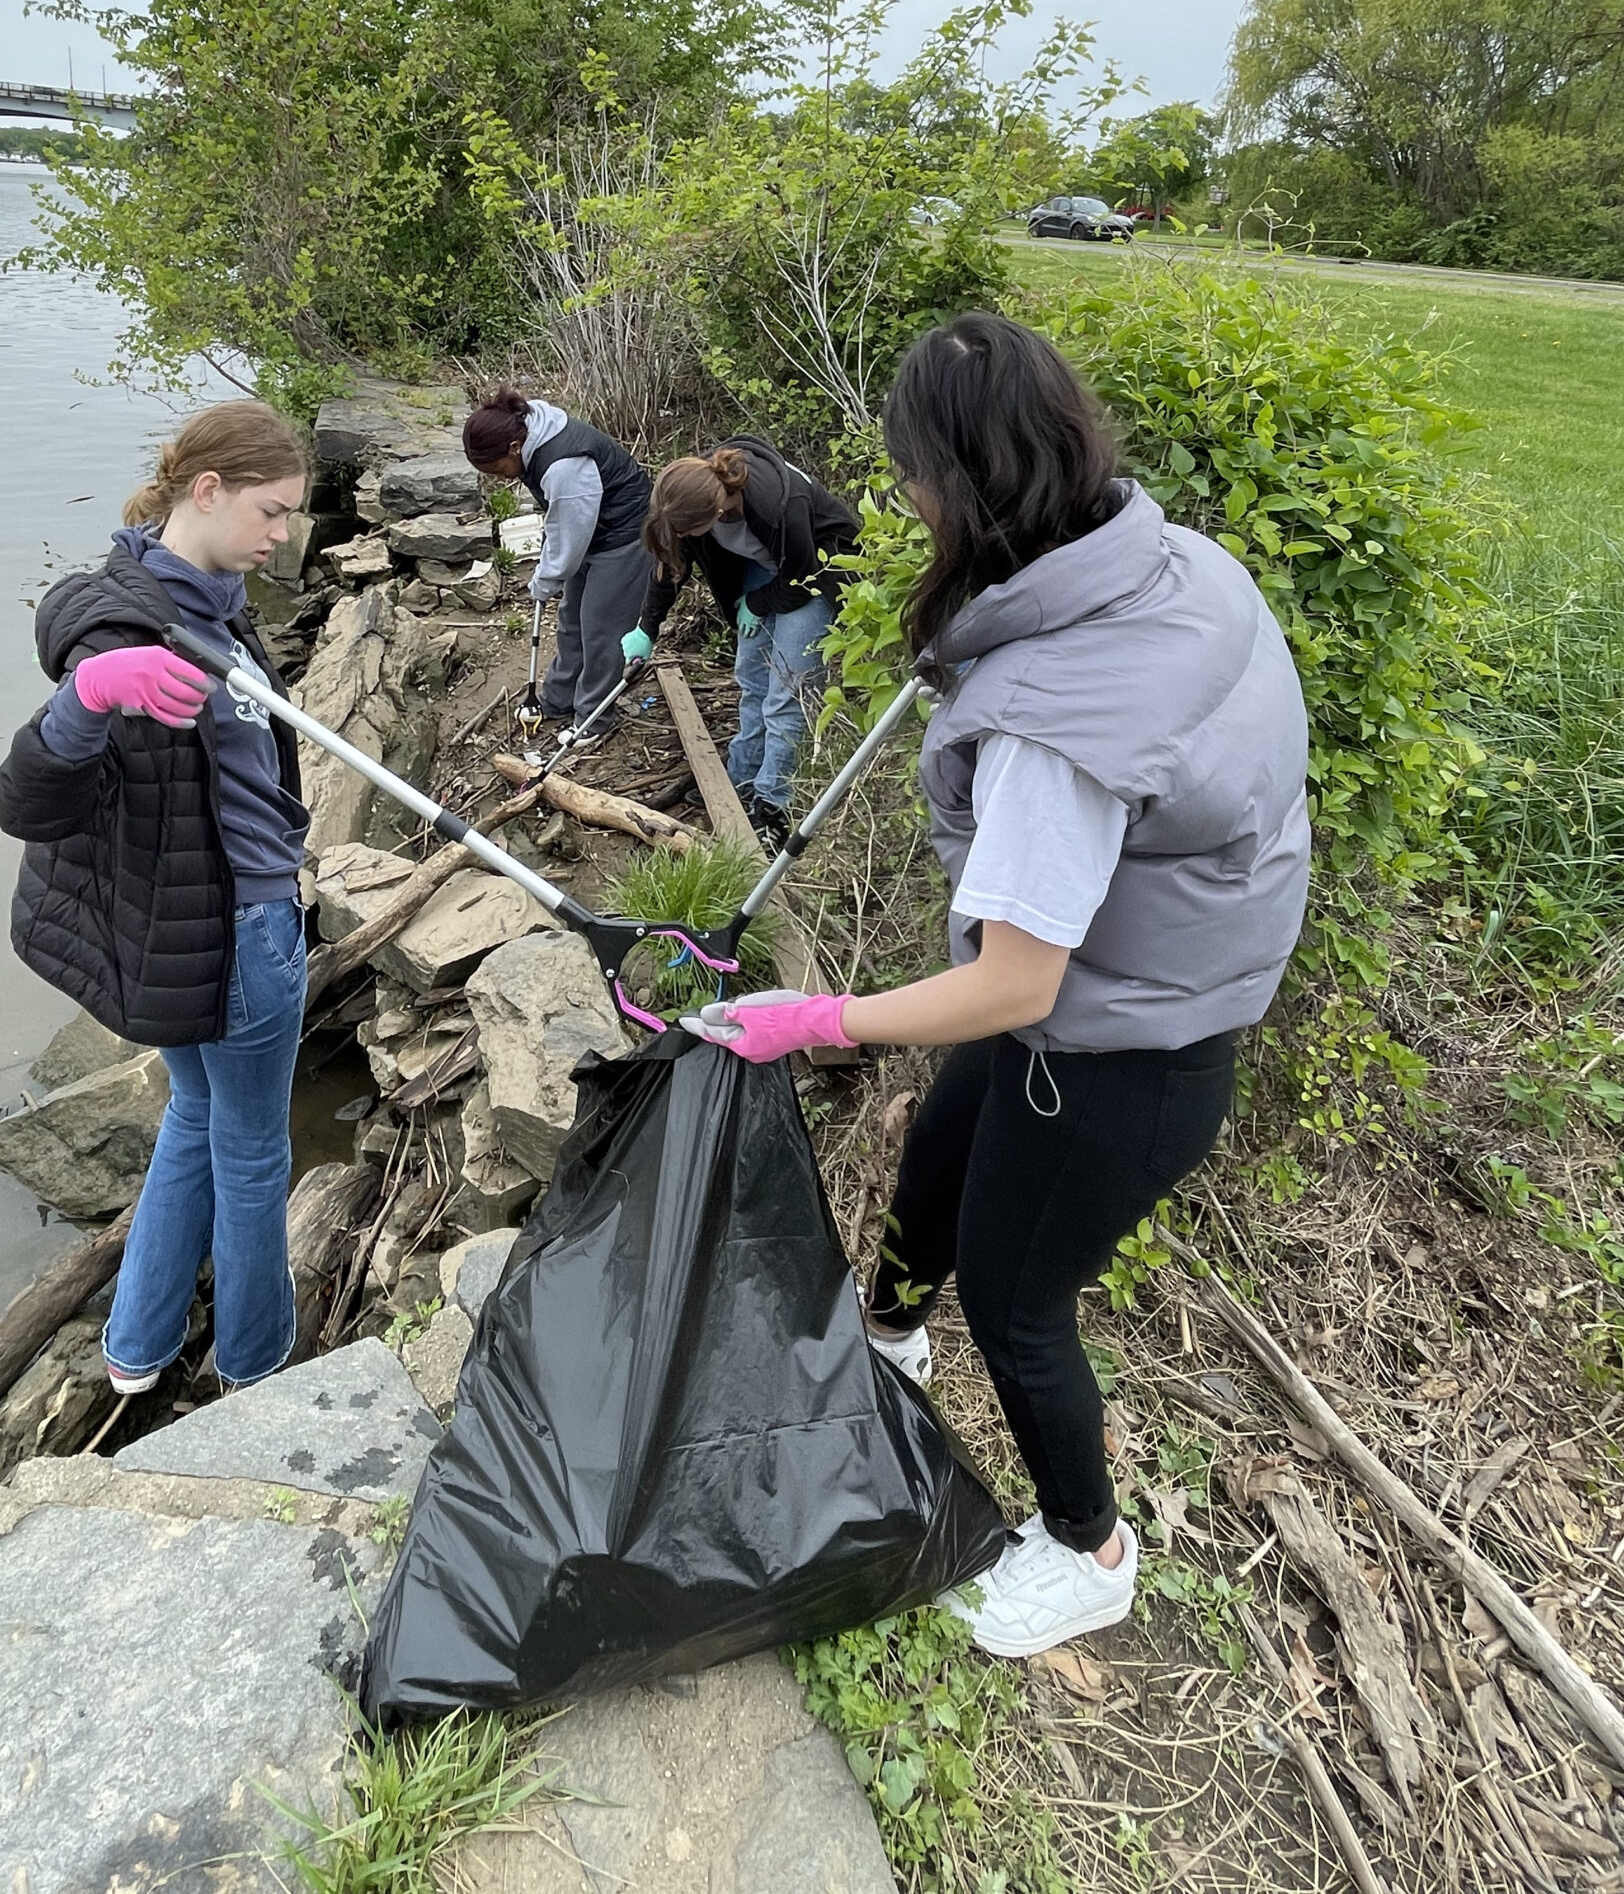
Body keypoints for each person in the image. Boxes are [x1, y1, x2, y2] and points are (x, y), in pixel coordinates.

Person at [701, 314, 1310, 1658]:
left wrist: (818, 1020)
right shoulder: (1170, 564)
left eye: (909, 474)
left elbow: (1019, 986)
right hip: (1132, 987)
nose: (901, 498)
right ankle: (889, 1343)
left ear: (955, 482)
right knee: (935, 1157)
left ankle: (1089, 1548)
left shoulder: (1055, 724)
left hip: (1123, 1056)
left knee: (1020, 1305)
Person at [0, 399, 314, 1398]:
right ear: (206, 490)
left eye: (291, 513)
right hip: (236, 937)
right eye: (270, 510)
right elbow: (28, 801)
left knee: (195, 1114)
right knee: (253, 1153)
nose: (284, 534)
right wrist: (87, 697)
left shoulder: (210, 593)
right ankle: (258, 1370)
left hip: (198, 929)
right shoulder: (130, 631)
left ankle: (134, 1348)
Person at [624, 439, 858, 849]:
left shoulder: (779, 505)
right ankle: (743, 777)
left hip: (816, 573)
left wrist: (758, 602)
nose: (681, 536)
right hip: (766, 568)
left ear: (716, 513)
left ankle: (773, 805)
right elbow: (671, 566)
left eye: (687, 531)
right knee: (751, 678)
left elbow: (802, 576)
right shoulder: (688, 492)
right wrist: (647, 628)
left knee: (787, 693)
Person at [461, 389, 652, 750]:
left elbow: (570, 534)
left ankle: (593, 718)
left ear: (514, 448)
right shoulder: (528, 432)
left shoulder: (564, 464)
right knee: (571, 620)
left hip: (626, 535)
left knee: (602, 631)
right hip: (593, 531)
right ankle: (557, 698)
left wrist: (546, 578)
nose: (499, 479)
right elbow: (560, 523)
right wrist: (549, 571)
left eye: (497, 470)